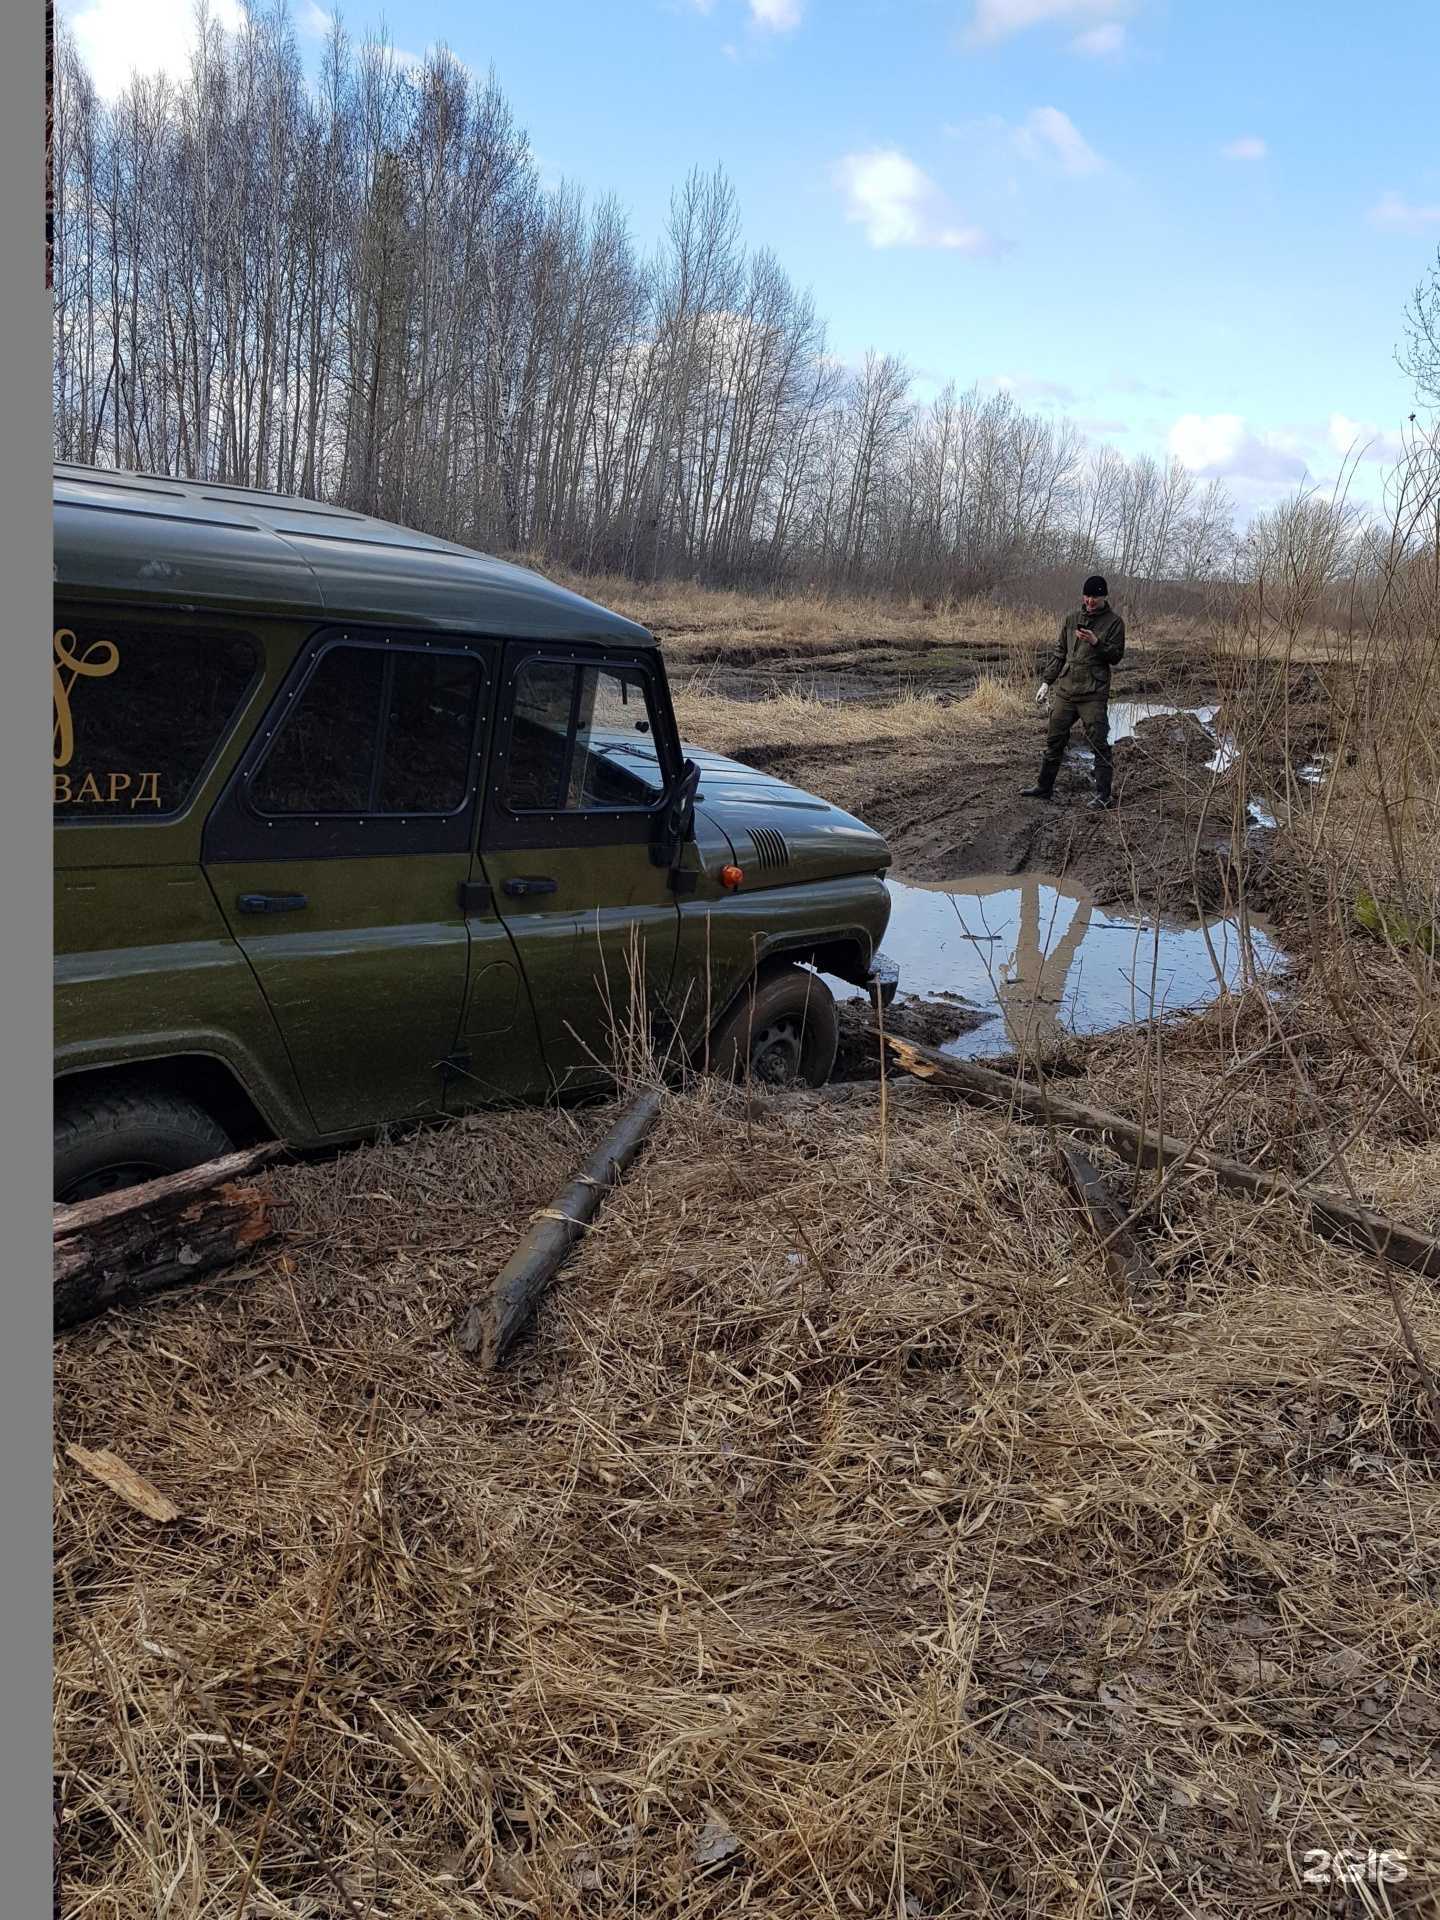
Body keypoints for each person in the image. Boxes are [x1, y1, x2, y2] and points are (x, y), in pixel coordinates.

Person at [1021, 574, 1125, 810]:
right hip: (1066, 691)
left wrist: (1097, 642)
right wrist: (1047, 682)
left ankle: (1103, 796)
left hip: (1093, 693)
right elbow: (1060, 652)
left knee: (1098, 742)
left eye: (1095, 597)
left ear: (1103, 597)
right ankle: (1043, 788)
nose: (1090, 601)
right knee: (1054, 739)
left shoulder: (1114, 623)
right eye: (1087, 596)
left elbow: (1116, 656)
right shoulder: (1071, 619)